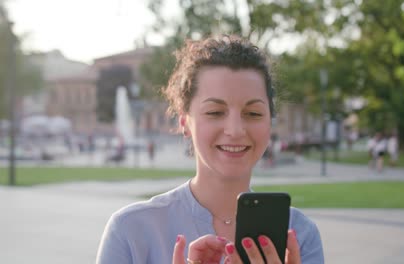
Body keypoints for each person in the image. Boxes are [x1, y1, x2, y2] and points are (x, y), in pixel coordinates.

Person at [96, 35, 324, 264]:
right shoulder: (129, 230)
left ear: (269, 121)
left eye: (253, 113)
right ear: (184, 122)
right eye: (215, 112)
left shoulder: (299, 235)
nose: (235, 130)